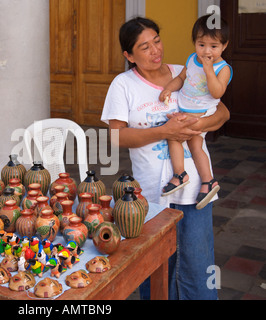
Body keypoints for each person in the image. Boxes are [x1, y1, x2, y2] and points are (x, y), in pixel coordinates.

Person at [101, 16, 230, 300]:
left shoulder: (185, 71)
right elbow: (115, 136)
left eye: (157, 41)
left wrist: (197, 126)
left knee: (198, 265)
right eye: (144, 47)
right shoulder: (123, 85)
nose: (155, 50)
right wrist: (165, 131)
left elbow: (222, 112)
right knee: (155, 267)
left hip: (197, 187)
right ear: (129, 55)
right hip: (152, 192)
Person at [159, 15, 232, 210]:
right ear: (194, 43)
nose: (206, 51)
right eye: (201, 45)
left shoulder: (222, 68)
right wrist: (169, 87)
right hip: (186, 109)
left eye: (214, 46)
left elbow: (217, 92)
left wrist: (209, 70)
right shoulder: (192, 59)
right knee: (188, 143)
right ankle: (205, 181)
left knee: (182, 140)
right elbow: (182, 78)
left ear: (224, 46)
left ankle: (185, 176)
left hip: (202, 113)